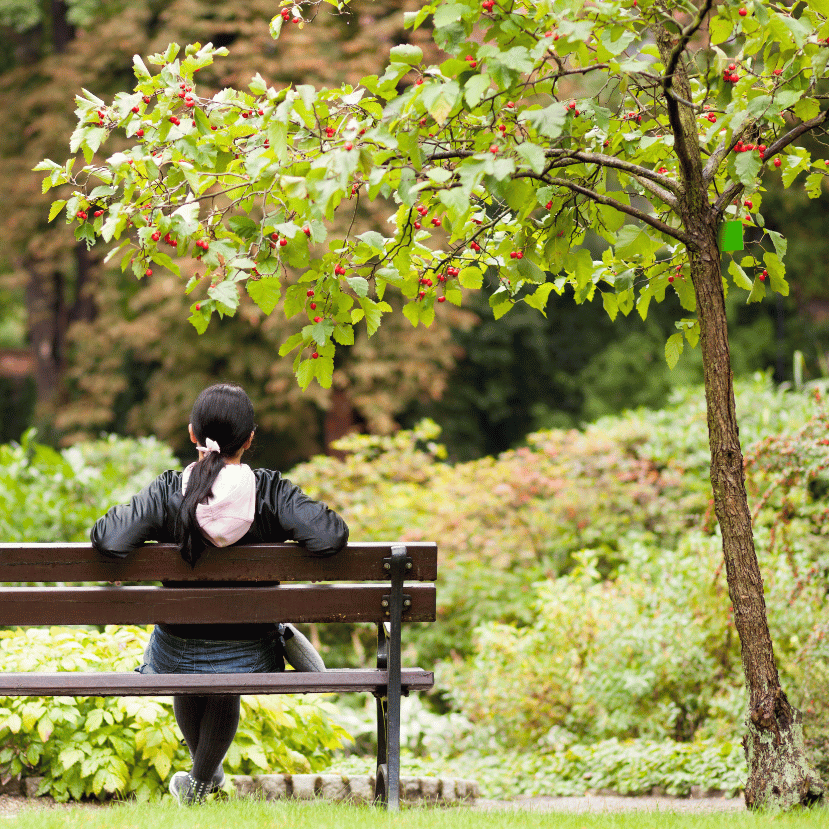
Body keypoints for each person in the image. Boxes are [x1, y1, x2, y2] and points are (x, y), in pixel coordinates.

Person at [90, 383, 349, 804]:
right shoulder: (271, 492)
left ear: (193, 434)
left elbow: (109, 540)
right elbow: (331, 536)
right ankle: (199, 783)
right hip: (251, 651)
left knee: (190, 653)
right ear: (249, 439)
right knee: (226, 670)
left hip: (175, 650)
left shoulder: (167, 491)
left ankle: (197, 785)